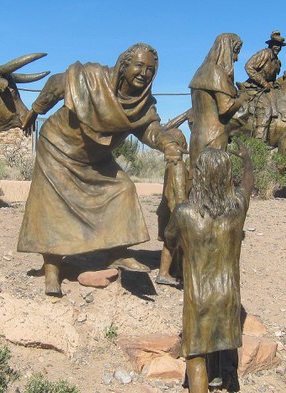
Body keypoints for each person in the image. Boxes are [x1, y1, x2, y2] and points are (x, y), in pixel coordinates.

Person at [17, 43, 184, 296]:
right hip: (58, 146)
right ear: (124, 65)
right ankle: (52, 269)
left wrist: (167, 143)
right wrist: (36, 110)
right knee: (52, 208)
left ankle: (117, 253)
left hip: (95, 157)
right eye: (139, 65)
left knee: (123, 189)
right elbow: (55, 84)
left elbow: (149, 130)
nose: (144, 73)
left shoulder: (142, 104)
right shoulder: (93, 77)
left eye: (150, 69)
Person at [164, 142, 254, 393]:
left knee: (195, 355)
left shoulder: (185, 213)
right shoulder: (237, 208)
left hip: (198, 297)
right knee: (220, 340)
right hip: (228, 295)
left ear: (199, 175)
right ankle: (224, 378)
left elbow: (169, 238)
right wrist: (247, 159)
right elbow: (248, 183)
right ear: (227, 176)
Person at [188, 33, 248, 166]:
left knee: (195, 178)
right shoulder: (217, 73)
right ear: (227, 50)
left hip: (196, 137)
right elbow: (225, 109)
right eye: (235, 52)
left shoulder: (199, 72)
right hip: (214, 137)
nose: (236, 58)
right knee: (214, 181)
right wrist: (243, 97)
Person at [155, 127, 188, 286]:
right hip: (174, 210)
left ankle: (175, 270)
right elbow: (180, 193)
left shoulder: (169, 165)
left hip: (166, 209)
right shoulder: (178, 165)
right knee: (171, 242)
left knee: (173, 243)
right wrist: (185, 212)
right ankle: (164, 273)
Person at [241, 30, 286, 140]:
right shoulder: (264, 53)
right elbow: (249, 66)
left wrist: (283, 80)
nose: (278, 47)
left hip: (267, 90)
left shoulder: (277, 61)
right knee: (266, 109)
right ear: (271, 44)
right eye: (276, 45)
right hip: (254, 88)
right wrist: (263, 83)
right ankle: (259, 141)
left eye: (280, 46)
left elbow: (273, 81)